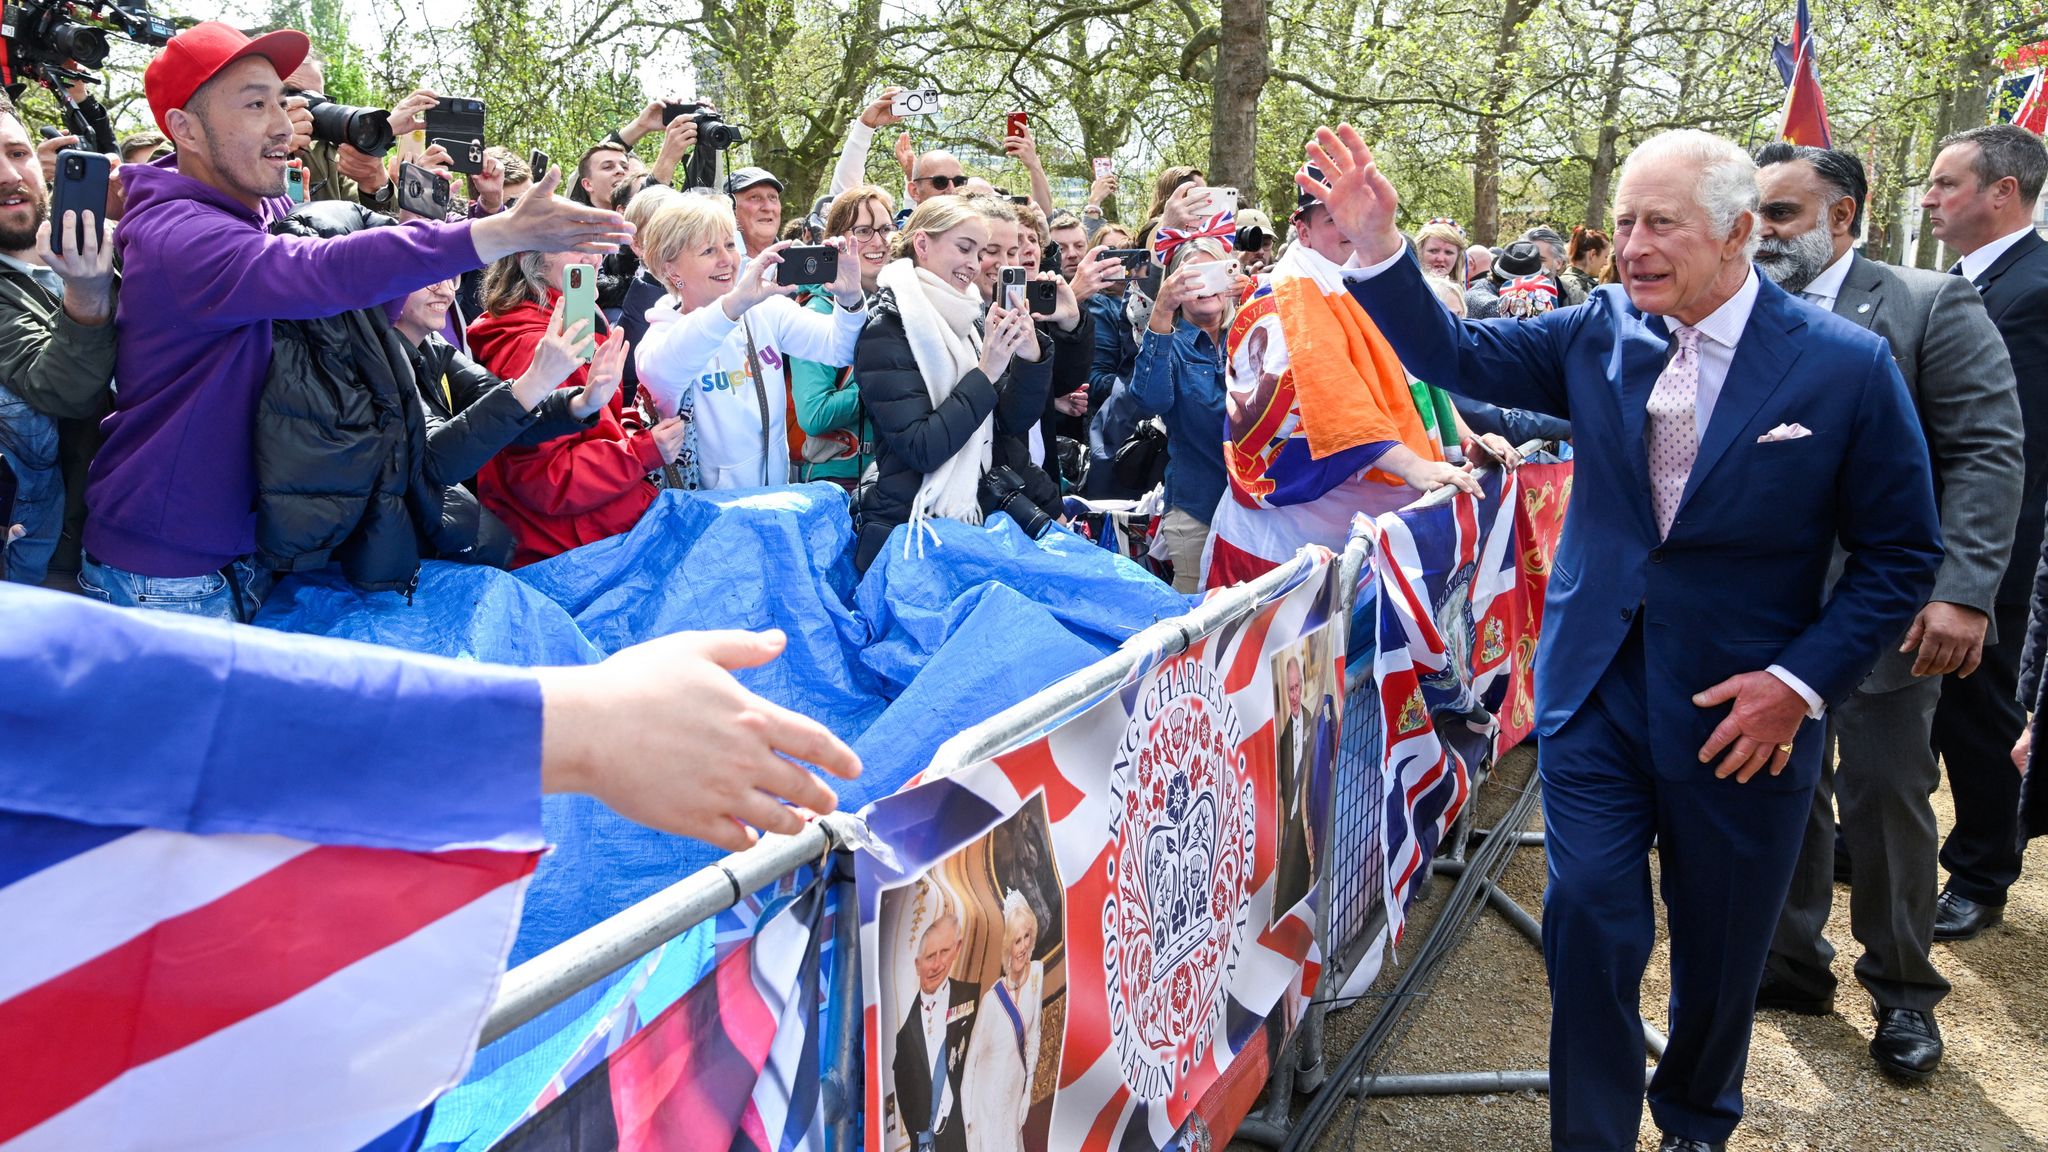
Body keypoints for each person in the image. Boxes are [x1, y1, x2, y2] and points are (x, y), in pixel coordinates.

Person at [1318, 122, 1941, 1152]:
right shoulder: (1594, 328)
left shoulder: (1844, 367)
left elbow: (1897, 554)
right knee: (1590, 928)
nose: (1633, 245)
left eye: (1660, 224)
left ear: (1737, 232)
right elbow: (1451, 351)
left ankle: (1695, 1120)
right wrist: (1378, 249)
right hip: (1593, 690)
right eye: (1622, 223)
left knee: (1720, 946)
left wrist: (1797, 681)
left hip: (1743, 712)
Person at [78, 21, 632, 620]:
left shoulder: (258, 208)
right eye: (254, 104)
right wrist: (499, 232)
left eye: (283, 101)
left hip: (244, 552)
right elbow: (327, 268)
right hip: (165, 571)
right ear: (184, 128)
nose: (281, 123)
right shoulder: (179, 238)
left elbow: (365, 251)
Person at [1746, 142, 2022, 1083]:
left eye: (1783, 214)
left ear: (1844, 217)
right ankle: (1791, 964)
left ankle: (1903, 991)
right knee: (1778, 782)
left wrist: (1962, 591)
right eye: (1755, 213)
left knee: (1888, 796)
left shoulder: (1928, 303)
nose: (1765, 233)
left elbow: (1988, 450)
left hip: (1890, 609)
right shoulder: (1737, 307)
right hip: (1762, 609)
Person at [1200, 165, 1479, 590]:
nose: (1348, 228)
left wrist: (1471, 440)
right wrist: (1410, 464)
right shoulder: (1281, 298)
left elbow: (1419, 379)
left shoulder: (1374, 283)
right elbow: (1319, 397)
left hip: (1369, 542)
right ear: (1303, 230)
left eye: (1354, 213)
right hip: (1284, 551)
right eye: (1332, 218)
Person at [1919, 123, 2048, 942]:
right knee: (1918, 699)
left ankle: (1983, 869)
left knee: (1978, 703)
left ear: (2003, 192)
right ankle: (1875, 843)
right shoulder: (1964, 281)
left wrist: (1977, 568)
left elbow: (2015, 446)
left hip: (1997, 543)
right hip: (1936, 529)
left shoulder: (2035, 290)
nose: (1928, 198)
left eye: (1946, 183)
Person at [851, 196, 1057, 571]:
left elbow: (1009, 423)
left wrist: (1031, 358)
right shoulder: (886, 328)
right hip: (911, 531)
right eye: (965, 248)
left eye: (979, 253)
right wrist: (986, 373)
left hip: (974, 521)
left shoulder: (971, 317)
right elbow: (921, 448)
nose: (974, 264)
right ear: (923, 244)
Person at [634, 194, 864, 490]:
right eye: (708, 250)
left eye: (729, 245)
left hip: (773, 503)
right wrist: (733, 305)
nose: (726, 260)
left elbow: (840, 349)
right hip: (708, 518)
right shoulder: (661, 335)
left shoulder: (763, 310)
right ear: (671, 269)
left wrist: (849, 299)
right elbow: (662, 367)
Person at [468, 245, 674, 566]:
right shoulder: (535, 346)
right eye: (575, 247)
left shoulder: (573, 321)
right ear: (529, 259)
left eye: (594, 246)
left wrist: (635, 423)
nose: (593, 258)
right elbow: (545, 479)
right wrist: (642, 452)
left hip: (587, 535)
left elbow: (598, 426)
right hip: (567, 554)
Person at [0, 91, 118, 587]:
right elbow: (63, 393)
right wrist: (87, 294)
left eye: (17, 153)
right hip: (64, 562)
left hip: (171, 542)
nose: (9, 175)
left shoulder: (115, 239)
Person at [1128, 237, 1232, 592]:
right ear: (1175, 287)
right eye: (1192, 277)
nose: (1204, 286)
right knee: (1199, 628)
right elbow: (1149, 400)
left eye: (1213, 272)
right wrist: (1161, 312)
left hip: (1264, 510)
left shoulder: (1254, 330)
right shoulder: (1169, 340)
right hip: (1198, 510)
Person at [788, 185, 893, 487]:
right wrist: (888, 381)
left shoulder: (900, 301)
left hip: (896, 473)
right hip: (840, 483)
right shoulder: (817, 312)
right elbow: (815, 414)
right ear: (837, 241)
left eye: (885, 228)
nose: (878, 241)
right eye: (863, 231)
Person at [960, 892, 1043, 1152]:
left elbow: (1034, 1035)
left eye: (1027, 937)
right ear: (1008, 945)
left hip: (1013, 1095)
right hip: (987, 1102)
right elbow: (970, 1065)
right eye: (1017, 940)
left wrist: (1028, 1091)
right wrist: (970, 1124)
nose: (1023, 947)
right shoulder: (991, 1001)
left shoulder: (1037, 975)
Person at [893, 905, 976, 1152]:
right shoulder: (904, 1034)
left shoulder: (974, 998)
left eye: (945, 952)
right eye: (930, 957)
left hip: (969, 1138)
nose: (938, 964)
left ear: (957, 949)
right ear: (917, 964)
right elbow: (905, 1097)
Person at [726, 166, 785, 259]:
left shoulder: (799, 262)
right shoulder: (715, 266)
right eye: (754, 197)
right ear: (730, 206)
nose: (768, 207)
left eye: (773, 197)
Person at [1564, 225, 1611, 300]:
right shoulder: (1575, 288)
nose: (1606, 263)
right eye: (1605, 257)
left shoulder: (1566, 283)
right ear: (1592, 254)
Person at [1414, 218, 1467, 283]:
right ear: (1420, 252)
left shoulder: (1465, 292)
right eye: (1433, 251)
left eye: (1448, 252)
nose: (1440, 259)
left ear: (1457, 257)